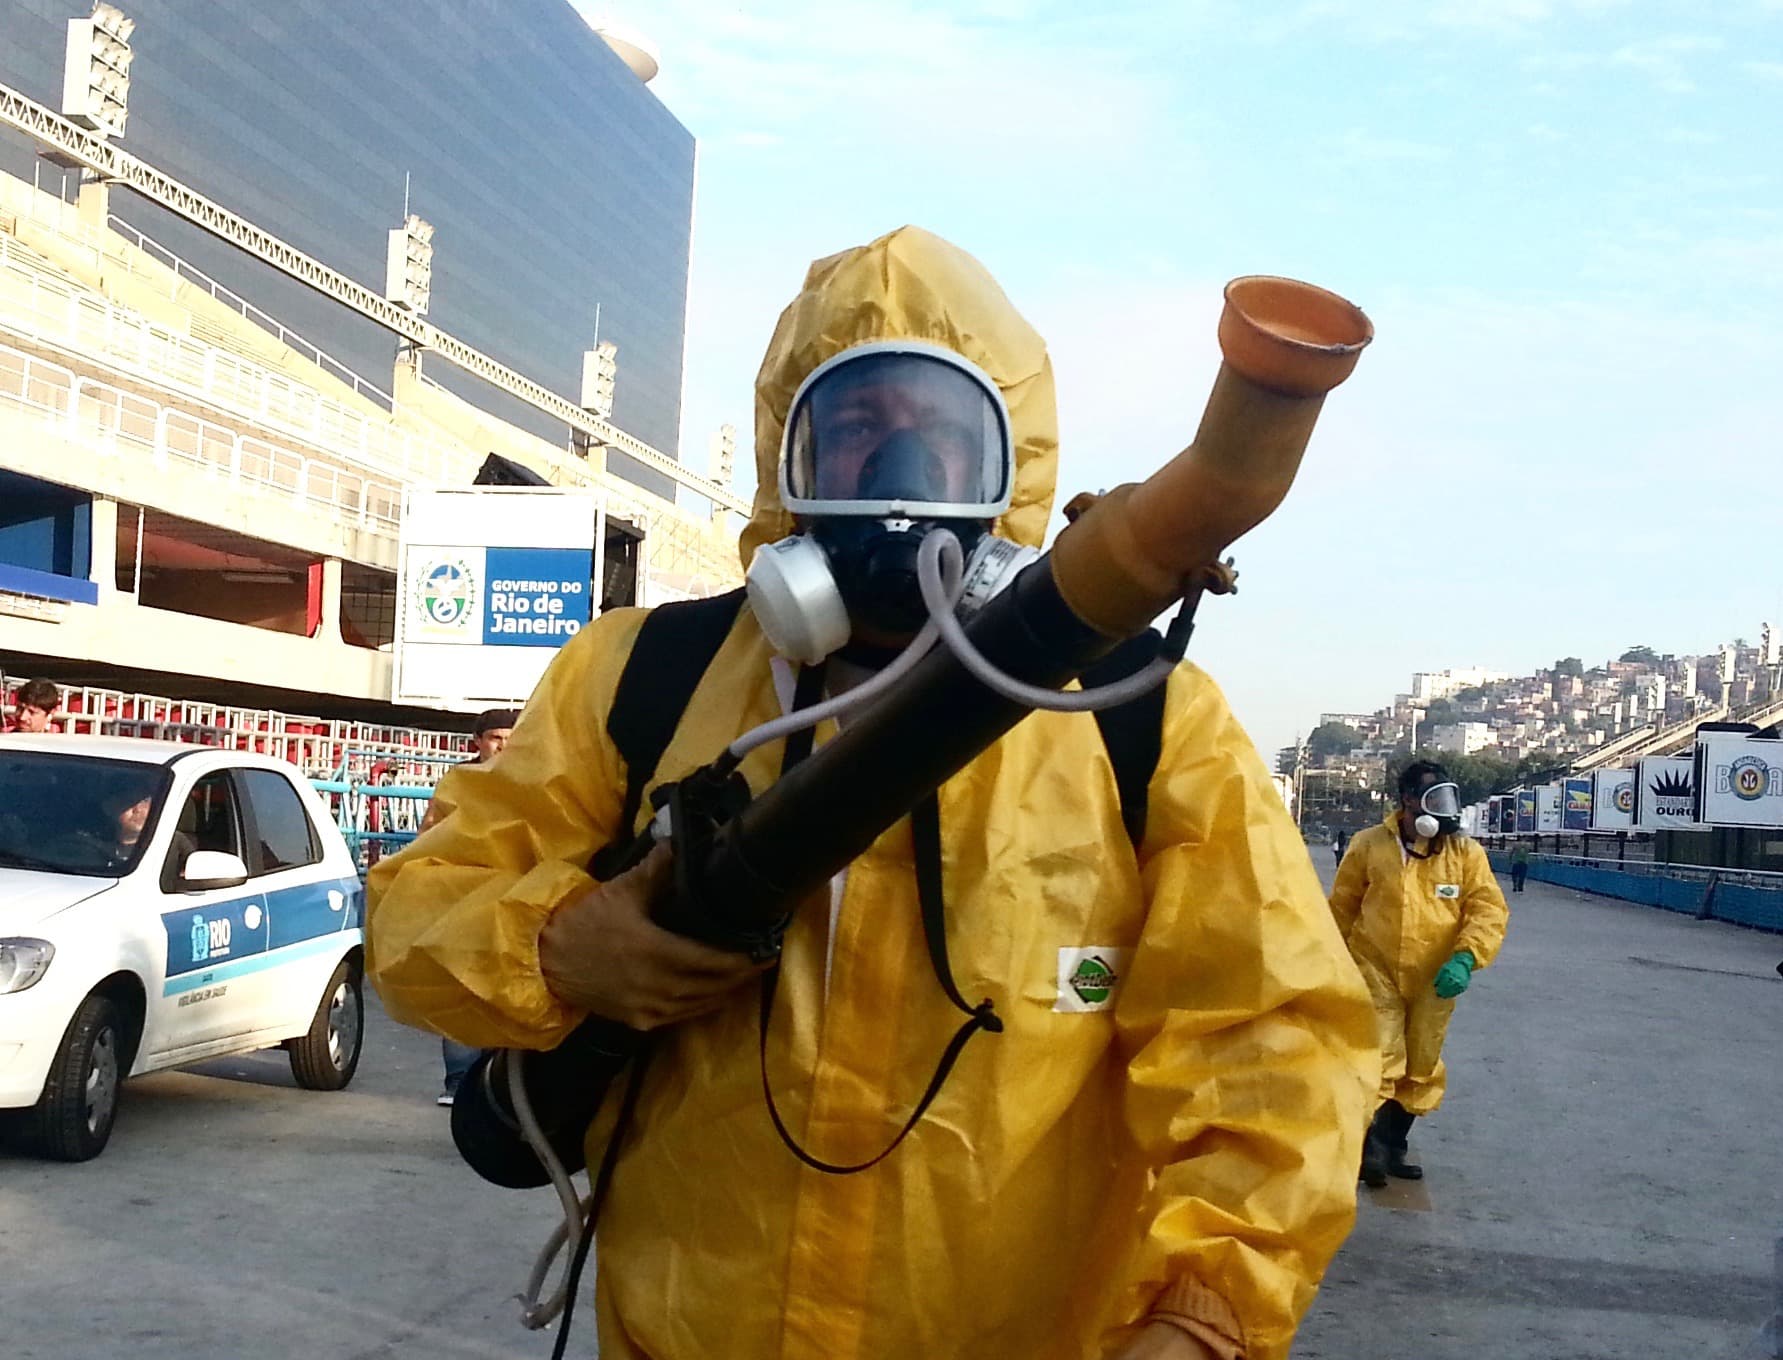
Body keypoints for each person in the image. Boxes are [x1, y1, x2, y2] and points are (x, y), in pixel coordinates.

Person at [367, 226, 1378, 1360]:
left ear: (1009, 469)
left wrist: (1203, 1318)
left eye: (938, 438)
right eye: (853, 434)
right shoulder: (642, 676)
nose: (897, 478)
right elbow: (414, 908)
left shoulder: (1134, 719)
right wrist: (554, 944)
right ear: (788, 462)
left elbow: (1273, 1045)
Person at [1329, 760, 1509, 1187]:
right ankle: (1368, 1148)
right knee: (1379, 1056)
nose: (1445, 808)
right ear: (1408, 801)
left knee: (1422, 1062)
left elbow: (1487, 910)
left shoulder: (1465, 855)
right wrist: (1330, 960)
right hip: (1375, 969)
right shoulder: (1370, 846)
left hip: (1437, 976)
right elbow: (1342, 907)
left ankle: (1395, 1145)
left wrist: (1466, 957)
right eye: (1434, 797)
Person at [421, 707, 518, 1106]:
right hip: (462, 898)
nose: (503, 746)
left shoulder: (535, 780)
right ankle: (458, 1081)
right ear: (477, 741)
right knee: (461, 988)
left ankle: (498, 1085)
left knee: (508, 992)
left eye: (512, 738)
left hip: (514, 901)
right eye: (496, 737)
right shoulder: (457, 784)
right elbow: (429, 834)